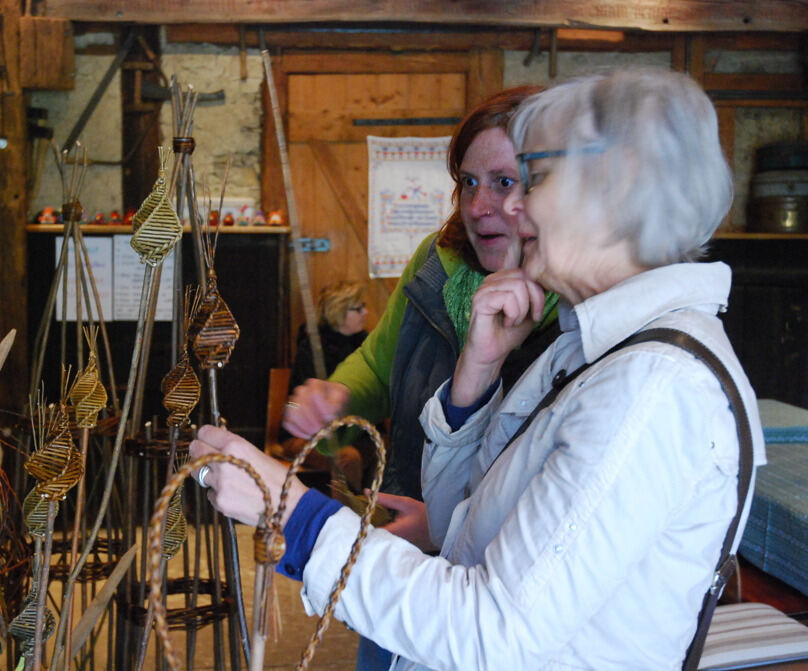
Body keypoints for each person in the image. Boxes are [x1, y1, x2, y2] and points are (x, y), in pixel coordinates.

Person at [190, 68, 766, 670]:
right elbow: (457, 517)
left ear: (616, 187)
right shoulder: (595, 348)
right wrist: (478, 368)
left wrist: (294, 517)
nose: (511, 208)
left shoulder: (651, 390)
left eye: (533, 179)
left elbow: (494, 634)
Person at [283, 86, 560, 507]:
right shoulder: (438, 261)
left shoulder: (581, 300)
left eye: (504, 182)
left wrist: (438, 531)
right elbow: (380, 366)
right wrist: (336, 398)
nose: (478, 205)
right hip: (408, 521)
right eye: (469, 182)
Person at [279, 280, 371, 491]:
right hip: (306, 437)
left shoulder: (364, 343)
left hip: (355, 432)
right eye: (358, 308)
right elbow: (307, 409)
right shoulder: (312, 347)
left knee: (391, 449)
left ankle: (373, 511)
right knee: (348, 458)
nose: (365, 312)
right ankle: (350, 517)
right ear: (338, 312)